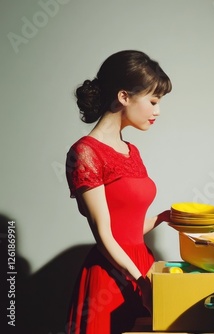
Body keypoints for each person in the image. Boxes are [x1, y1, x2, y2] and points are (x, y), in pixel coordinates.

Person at [65, 50, 172, 334]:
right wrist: (140, 281)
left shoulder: (131, 150)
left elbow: (130, 227)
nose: (157, 111)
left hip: (142, 266)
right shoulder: (85, 152)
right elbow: (104, 235)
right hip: (112, 276)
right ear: (124, 96)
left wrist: (163, 217)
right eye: (153, 101)